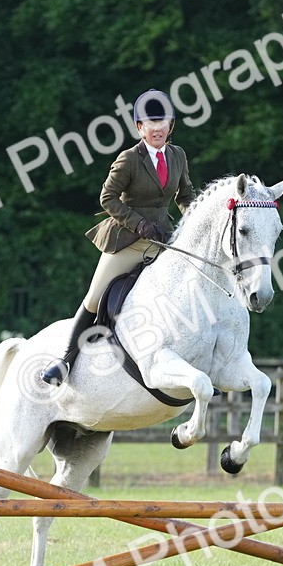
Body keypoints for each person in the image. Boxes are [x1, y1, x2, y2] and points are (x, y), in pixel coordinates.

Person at [41, 88, 196, 385]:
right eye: (150, 124)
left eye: (163, 123)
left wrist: (192, 220)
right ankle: (66, 360)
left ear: (170, 126)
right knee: (94, 296)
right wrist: (138, 224)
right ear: (140, 127)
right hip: (128, 239)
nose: (157, 129)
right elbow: (107, 198)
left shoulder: (178, 156)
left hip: (163, 238)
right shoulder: (129, 159)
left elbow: (186, 195)